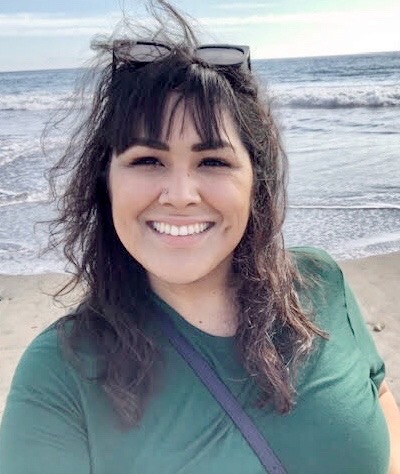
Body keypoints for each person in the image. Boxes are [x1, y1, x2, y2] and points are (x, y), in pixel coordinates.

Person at [0, 2, 399, 473]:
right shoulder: (58, 374)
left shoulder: (321, 283)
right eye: (148, 160)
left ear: (255, 182)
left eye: (212, 161)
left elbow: (379, 398)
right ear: (105, 181)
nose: (181, 195)